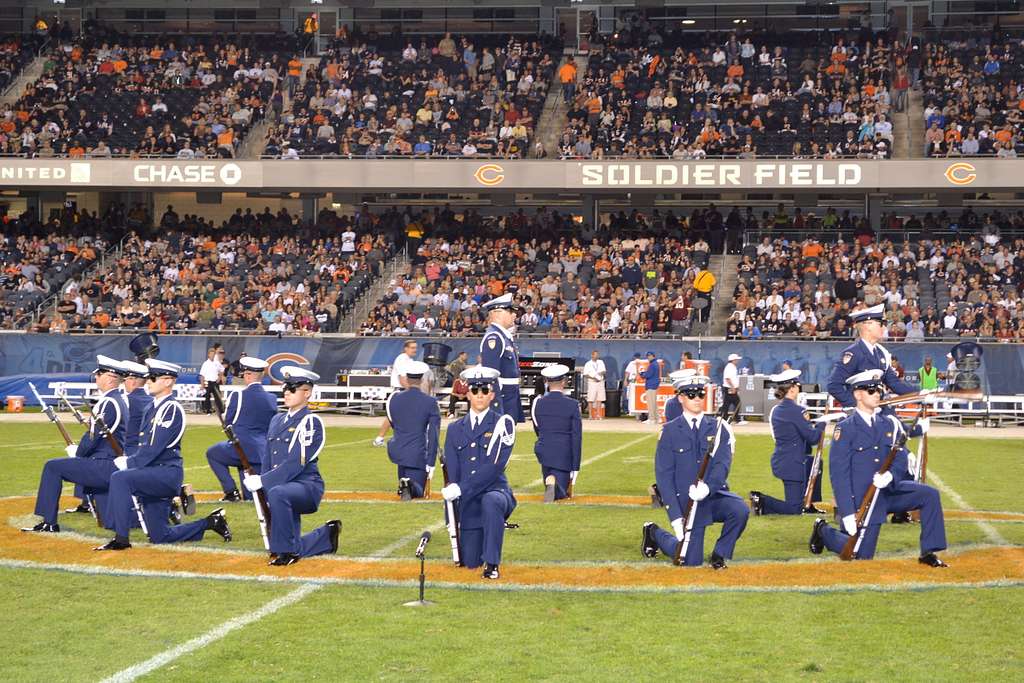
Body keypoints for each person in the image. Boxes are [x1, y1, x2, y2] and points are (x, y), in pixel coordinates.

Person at [809, 370, 948, 567]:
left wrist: (891, 475)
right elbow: (839, 475)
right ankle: (823, 530)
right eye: (871, 390)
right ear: (857, 394)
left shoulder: (888, 423)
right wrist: (847, 512)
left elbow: (900, 456)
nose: (877, 394)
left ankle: (929, 552)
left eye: (879, 390)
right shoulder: (846, 428)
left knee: (929, 495)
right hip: (864, 499)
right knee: (860, 556)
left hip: (889, 490)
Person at [95, 359, 232, 550]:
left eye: (152, 377)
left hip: (165, 474)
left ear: (168, 381)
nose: (148, 381)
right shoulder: (152, 407)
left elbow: (154, 447)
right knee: (160, 536)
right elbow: (143, 444)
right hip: (152, 473)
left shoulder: (171, 409)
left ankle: (121, 539)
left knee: (120, 479)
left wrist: (129, 462)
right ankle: (210, 522)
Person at [641, 372, 748, 568]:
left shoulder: (718, 427)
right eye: (691, 395)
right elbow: (664, 476)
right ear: (681, 397)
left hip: (712, 496)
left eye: (700, 394)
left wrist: (708, 488)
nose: (697, 399)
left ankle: (719, 554)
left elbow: (722, 465)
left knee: (740, 509)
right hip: (687, 503)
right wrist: (675, 517)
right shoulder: (669, 431)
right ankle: (654, 533)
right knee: (690, 560)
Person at [243, 366, 341, 566]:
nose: (287, 392)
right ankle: (325, 537)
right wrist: (264, 486)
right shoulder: (277, 419)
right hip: (282, 486)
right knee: (279, 497)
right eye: (285, 387)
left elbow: (295, 463)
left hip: (306, 486)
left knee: (279, 494)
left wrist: (263, 481)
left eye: (293, 388)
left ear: (307, 393)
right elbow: (268, 458)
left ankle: (286, 552)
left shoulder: (311, 422)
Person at [22, 356, 129, 534]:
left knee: (52, 467)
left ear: (110, 378)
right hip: (111, 462)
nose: (96, 378)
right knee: (110, 521)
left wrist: (78, 452)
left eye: (99, 374)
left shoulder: (108, 402)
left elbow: (92, 437)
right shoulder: (119, 400)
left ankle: (49, 522)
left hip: (103, 464)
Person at [441, 366, 517, 579]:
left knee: (491, 501)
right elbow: (453, 474)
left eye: (485, 390)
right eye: (475, 391)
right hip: (467, 501)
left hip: (496, 492)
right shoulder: (455, 428)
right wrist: (451, 512)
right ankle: (478, 549)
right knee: (470, 562)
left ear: (492, 394)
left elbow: (494, 468)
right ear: (467, 394)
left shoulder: (503, 424)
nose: (480, 395)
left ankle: (492, 564)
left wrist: (460, 488)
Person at [750, 369, 826, 516]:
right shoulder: (795, 410)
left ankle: (809, 503)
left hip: (787, 459)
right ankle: (762, 501)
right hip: (793, 463)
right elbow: (813, 438)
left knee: (815, 463)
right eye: (797, 385)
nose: (799, 388)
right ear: (792, 388)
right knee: (794, 509)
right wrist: (823, 423)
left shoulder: (778, 410)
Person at [205, 357, 278, 502]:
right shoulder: (271, 398)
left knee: (212, 453)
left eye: (245, 373)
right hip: (262, 451)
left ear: (249, 375)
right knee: (252, 498)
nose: (243, 376)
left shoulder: (237, 395)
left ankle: (231, 491)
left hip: (241, 447)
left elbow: (229, 421)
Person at [385, 361, 440, 500]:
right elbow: (434, 434)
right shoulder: (430, 402)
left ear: (407, 378)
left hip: (398, 452)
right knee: (418, 492)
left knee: (406, 486)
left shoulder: (394, 398)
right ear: (422, 379)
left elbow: (393, 423)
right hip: (417, 453)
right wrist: (431, 462)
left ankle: (404, 484)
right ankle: (408, 484)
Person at [530, 364, 582, 502]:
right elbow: (576, 437)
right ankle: (554, 482)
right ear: (564, 382)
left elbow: (537, 428)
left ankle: (550, 480)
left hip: (544, 451)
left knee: (549, 484)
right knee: (561, 493)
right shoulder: (573, 404)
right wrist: (575, 466)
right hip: (563, 454)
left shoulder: (538, 403)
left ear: (547, 382)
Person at [479, 293, 523, 422]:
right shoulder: (494, 337)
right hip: (502, 400)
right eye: (510, 311)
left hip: (509, 397)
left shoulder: (504, 337)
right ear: (498, 313)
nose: (514, 315)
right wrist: (496, 405)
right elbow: (490, 375)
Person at [374, 340, 419, 445]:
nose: (415, 350)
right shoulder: (402, 359)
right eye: (412, 348)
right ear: (406, 348)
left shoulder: (410, 360)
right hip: (400, 391)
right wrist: (411, 392)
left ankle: (380, 439)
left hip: (404, 390)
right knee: (396, 416)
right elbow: (402, 379)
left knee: (394, 416)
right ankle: (382, 439)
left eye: (415, 348)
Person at [199, 347, 224, 415]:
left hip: (215, 382)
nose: (212, 355)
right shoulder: (205, 363)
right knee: (207, 397)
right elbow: (202, 375)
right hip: (207, 382)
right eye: (211, 354)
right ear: (208, 355)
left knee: (218, 397)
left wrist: (219, 378)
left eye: (213, 354)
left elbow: (222, 370)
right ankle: (208, 411)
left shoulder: (217, 362)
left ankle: (221, 411)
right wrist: (202, 384)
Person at [582, 350, 607, 420]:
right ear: (592, 355)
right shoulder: (588, 364)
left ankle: (598, 415)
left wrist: (599, 375)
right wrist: (593, 377)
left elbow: (604, 371)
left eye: (597, 355)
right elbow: (586, 374)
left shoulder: (601, 362)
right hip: (592, 382)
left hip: (600, 382)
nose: (597, 356)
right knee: (591, 399)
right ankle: (590, 415)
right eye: (595, 355)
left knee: (600, 399)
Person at [640, 351, 663, 423]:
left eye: (649, 356)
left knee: (651, 403)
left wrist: (642, 374)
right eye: (647, 356)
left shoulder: (653, 364)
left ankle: (652, 419)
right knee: (654, 403)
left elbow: (648, 375)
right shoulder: (655, 364)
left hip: (651, 385)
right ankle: (657, 418)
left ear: (653, 356)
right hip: (654, 385)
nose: (648, 357)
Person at [719, 353, 743, 423]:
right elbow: (728, 379)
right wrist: (733, 387)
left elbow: (733, 378)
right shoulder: (729, 367)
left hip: (730, 388)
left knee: (727, 404)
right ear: (733, 360)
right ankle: (736, 419)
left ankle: (724, 418)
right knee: (737, 402)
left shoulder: (732, 367)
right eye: (736, 360)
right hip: (729, 388)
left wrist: (736, 387)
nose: (737, 361)